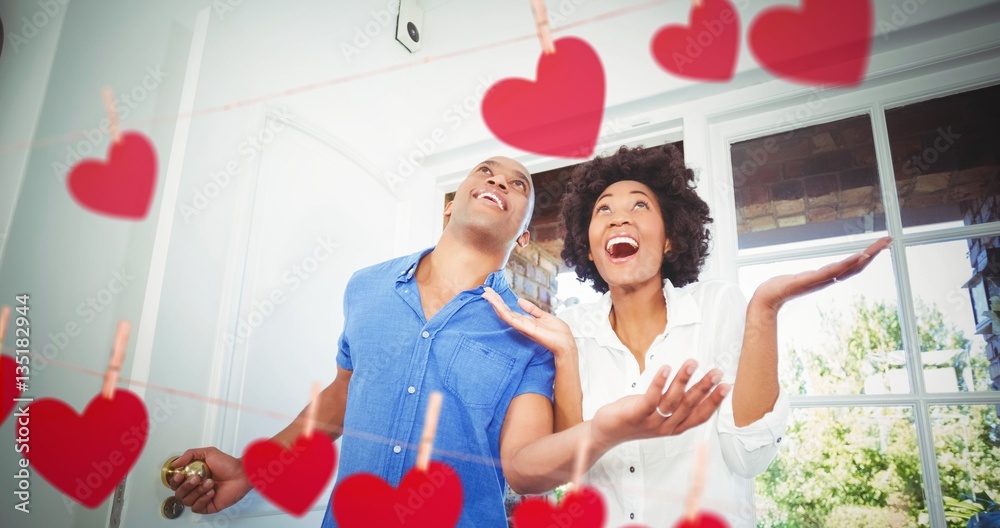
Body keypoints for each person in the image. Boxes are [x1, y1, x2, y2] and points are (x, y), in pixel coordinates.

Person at [168, 156, 732, 527]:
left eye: (518, 186)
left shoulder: (529, 333)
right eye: (485, 173)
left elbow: (525, 467)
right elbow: (341, 398)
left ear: (523, 232)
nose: (499, 183)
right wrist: (251, 470)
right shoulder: (365, 288)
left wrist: (607, 429)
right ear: (451, 202)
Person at [482, 144, 892, 527]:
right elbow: (561, 472)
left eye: (639, 205)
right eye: (603, 210)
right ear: (589, 248)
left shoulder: (717, 306)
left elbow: (749, 455)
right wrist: (570, 359)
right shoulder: (570, 329)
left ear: (670, 238)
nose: (619, 217)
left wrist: (764, 310)